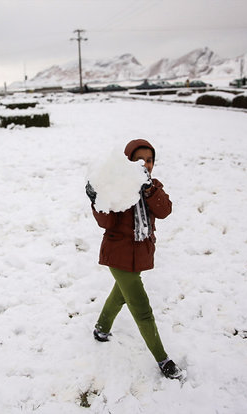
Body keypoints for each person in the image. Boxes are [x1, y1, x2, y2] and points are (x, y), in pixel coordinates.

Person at [85, 139, 184, 380]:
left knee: (120, 293)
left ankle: (101, 329)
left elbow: (165, 210)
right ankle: (162, 358)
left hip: (141, 253)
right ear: (127, 162)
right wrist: (97, 200)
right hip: (118, 254)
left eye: (149, 160)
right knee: (142, 309)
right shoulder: (118, 189)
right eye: (139, 160)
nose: (146, 165)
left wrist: (150, 191)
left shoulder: (153, 186)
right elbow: (105, 221)